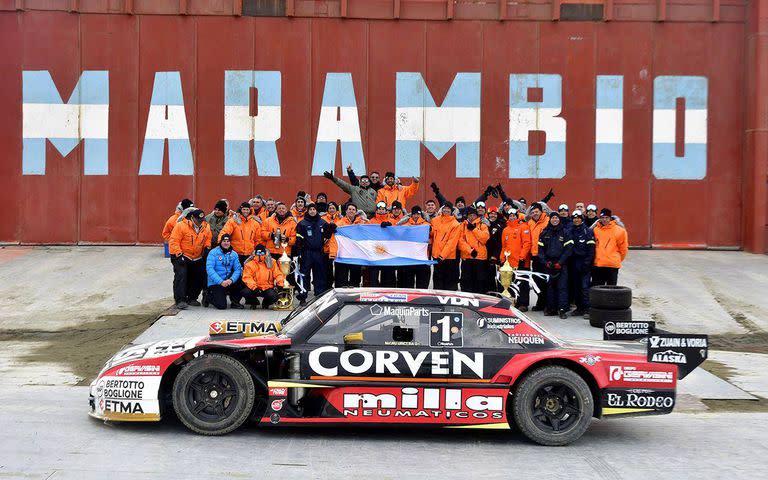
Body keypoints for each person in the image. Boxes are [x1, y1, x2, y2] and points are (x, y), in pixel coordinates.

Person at [169, 208, 212, 309]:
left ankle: (192, 297)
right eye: (198, 220)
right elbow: (174, 241)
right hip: (182, 255)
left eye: (202, 220)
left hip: (197, 256)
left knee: (199, 276)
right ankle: (180, 300)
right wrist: (179, 255)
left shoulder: (206, 226)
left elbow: (208, 238)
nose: (200, 222)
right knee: (181, 276)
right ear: (192, 218)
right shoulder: (181, 226)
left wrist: (207, 247)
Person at [537, 212, 573, 318]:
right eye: (553, 218)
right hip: (549, 264)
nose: (555, 220)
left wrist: (560, 262)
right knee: (550, 287)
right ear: (550, 220)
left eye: (556, 218)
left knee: (562, 287)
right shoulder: (545, 232)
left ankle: (562, 310)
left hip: (561, 264)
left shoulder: (565, 232)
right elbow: (540, 250)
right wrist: (545, 262)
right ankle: (551, 308)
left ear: (559, 219)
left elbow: (568, 249)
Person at [295, 204, 331, 305]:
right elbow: (299, 239)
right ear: (307, 211)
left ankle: (319, 296)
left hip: (319, 253)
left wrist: (331, 228)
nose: (312, 211)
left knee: (319, 275)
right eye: (310, 209)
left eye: (314, 209)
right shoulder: (302, 223)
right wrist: (298, 251)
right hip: (307, 253)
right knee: (304, 275)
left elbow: (328, 235)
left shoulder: (323, 222)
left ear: (316, 211)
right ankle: (302, 297)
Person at [500, 207, 532, 310]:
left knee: (523, 283)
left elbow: (527, 243)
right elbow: (504, 246)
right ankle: (513, 302)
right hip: (509, 263)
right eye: (510, 216)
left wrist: (522, 257)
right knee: (511, 283)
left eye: (514, 215)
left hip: (521, 261)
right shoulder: (505, 230)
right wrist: (502, 258)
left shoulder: (524, 227)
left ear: (517, 216)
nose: (512, 217)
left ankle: (523, 303)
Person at [238, 244, 285, 309]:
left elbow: (278, 274)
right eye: (258, 253)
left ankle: (266, 302)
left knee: (274, 296)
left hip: (267, 287)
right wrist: (254, 287)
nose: (260, 254)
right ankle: (254, 302)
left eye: (262, 253)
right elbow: (247, 277)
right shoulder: (249, 264)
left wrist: (280, 283)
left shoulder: (272, 262)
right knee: (245, 292)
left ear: (265, 253)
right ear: (255, 253)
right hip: (255, 288)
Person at [330, 203, 365, 287]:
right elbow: (333, 240)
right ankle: (340, 297)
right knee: (341, 279)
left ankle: (354, 297)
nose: (351, 211)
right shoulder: (339, 224)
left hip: (356, 256)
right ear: (346, 211)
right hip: (342, 255)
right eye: (349, 209)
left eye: (353, 209)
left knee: (355, 279)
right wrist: (333, 253)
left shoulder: (362, 224)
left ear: (356, 212)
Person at [568, 210, 595, 317]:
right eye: (574, 218)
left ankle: (587, 309)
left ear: (582, 219)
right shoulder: (569, 231)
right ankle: (579, 308)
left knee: (585, 287)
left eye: (578, 218)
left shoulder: (587, 231)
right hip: (573, 264)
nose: (576, 219)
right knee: (576, 287)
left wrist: (587, 263)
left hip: (584, 263)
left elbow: (591, 250)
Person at [204, 233, 242, 310]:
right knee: (222, 306)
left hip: (228, 280)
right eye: (224, 241)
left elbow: (237, 269)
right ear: (220, 242)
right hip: (216, 282)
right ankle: (207, 296)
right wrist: (221, 281)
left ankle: (235, 302)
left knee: (240, 280)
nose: (226, 243)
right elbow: (209, 269)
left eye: (228, 241)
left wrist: (231, 280)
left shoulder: (234, 254)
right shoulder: (213, 253)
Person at [592, 208, 629, 286]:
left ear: (610, 218)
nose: (604, 220)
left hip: (612, 265)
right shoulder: (595, 230)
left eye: (607, 217)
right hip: (598, 264)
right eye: (602, 218)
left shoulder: (620, 231)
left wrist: (617, 259)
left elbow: (623, 249)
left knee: (611, 290)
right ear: (599, 218)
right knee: (598, 290)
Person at [398, 205, 431, 289]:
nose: (416, 216)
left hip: (422, 258)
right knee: (408, 283)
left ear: (420, 215)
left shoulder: (427, 225)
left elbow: (433, 236)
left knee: (422, 283)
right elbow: (398, 236)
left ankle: (422, 300)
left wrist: (430, 241)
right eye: (414, 214)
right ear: (411, 215)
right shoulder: (405, 225)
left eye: (418, 214)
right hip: (409, 258)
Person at [458, 207, 489, 294]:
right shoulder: (462, 226)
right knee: (466, 280)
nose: (472, 217)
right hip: (467, 257)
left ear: (477, 216)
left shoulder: (483, 225)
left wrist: (474, 229)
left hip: (480, 258)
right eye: (470, 215)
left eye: (474, 215)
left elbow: (484, 238)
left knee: (479, 281)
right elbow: (460, 241)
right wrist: (470, 251)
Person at [431, 203, 461, 290]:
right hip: (436, 256)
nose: (446, 210)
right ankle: (437, 300)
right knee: (437, 280)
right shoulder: (435, 220)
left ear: (452, 211)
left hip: (448, 258)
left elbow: (452, 242)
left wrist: (442, 256)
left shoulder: (455, 224)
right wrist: (429, 230)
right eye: (445, 208)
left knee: (448, 281)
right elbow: (433, 234)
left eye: (448, 209)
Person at [367, 201, 396, 287]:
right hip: (374, 252)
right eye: (379, 209)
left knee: (387, 278)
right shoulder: (371, 221)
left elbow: (397, 234)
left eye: (383, 209)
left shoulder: (392, 221)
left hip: (387, 253)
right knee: (373, 277)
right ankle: (374, 295)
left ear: (386, 210)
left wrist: (391, 227)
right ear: (376, 210)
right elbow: (365, 234)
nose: (381, 211)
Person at [527, 203, 550, 311]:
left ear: (541, 211)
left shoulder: (548, 221)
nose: (535, 214)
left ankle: (548, 303)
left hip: (546, 256)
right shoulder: (530, 223)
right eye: (533, 212)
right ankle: (540, 301)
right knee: (537, 280)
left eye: (536, 211)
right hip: (535, 256)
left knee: (546, 280)